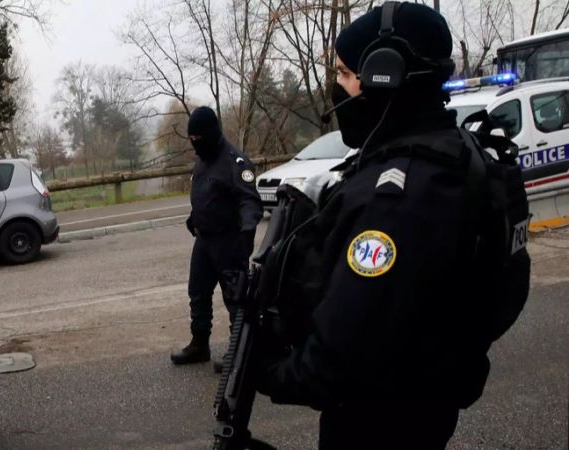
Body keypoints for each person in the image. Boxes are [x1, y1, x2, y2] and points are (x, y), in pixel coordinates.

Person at [256, 3, 530, 449]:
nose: (337, 87)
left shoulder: (399, 199)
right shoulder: (450, 155)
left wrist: (269, 371)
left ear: (385, 75)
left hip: (382, 419)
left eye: (344, 73)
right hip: (425, 400)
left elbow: (341, 355)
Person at [170, 106, 263, 369]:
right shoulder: (202, 160)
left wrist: (247, 233)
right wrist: (195, 215)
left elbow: (249, 201)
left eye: (199, 140)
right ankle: (200, 345)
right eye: (192, 141)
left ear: (211, 134)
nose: (195, 146)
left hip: (229, 241)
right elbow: (205, 193)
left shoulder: (236, 162)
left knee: (235, 299)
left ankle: (239, 353)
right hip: (204, 240)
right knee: (197, 293)